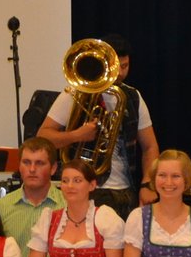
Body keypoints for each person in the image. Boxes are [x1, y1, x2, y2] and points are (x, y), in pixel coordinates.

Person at [36, 34, 160, 214]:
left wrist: (147, 184)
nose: (121, 73)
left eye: (125, 66)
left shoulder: (133, 96)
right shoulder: (74, 93)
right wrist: (77, 135)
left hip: (126, 191)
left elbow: (150, 146)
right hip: (86, 190)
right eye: (117, 67)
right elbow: (43, 137)